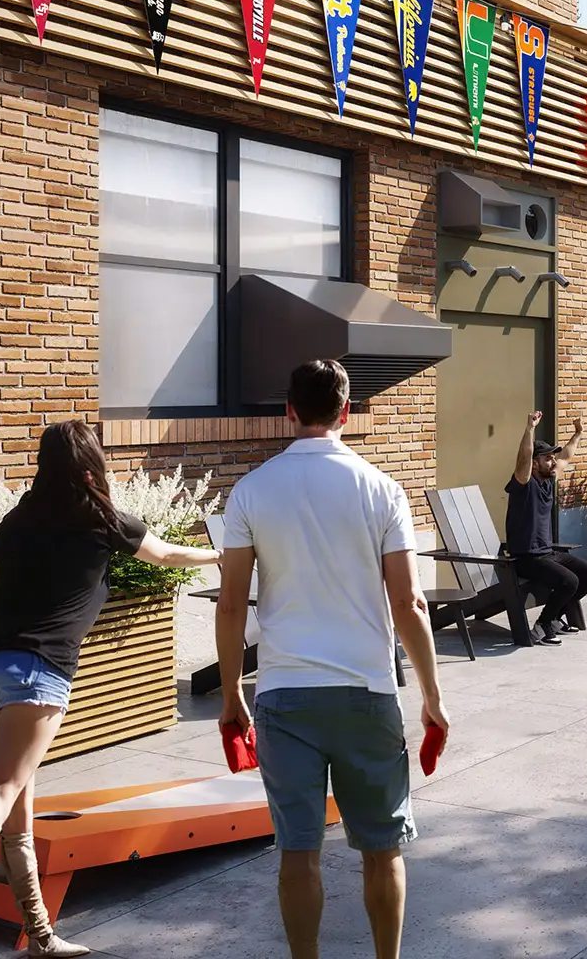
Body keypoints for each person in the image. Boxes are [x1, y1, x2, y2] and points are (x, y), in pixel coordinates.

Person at [0, 421, 223, 959]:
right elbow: (168, 556)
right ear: (89, 466)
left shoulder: (17, 520)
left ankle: (41, 936)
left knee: (18, 811)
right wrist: (223, 555)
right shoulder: (103, 521)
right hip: (39, 671)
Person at [215, 361, 445, 959]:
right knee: (382, 848)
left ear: (288, 411)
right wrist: (432, 699)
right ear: (346, 411)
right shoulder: (383, 489)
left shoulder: (251, 490)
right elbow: (410, 604)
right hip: (366, 691)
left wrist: (230, 692)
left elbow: (231, 603)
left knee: (298, 850)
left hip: (285, 695)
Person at [506, 410, 587, 644]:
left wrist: (578, 434)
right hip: (527, 557)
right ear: (535, 464)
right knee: (570, 581)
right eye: (547, 458)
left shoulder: (548, 480)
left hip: (547, 553)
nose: (553, 461)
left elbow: (566, 457)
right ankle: (543, 624)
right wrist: (529, 429)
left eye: (552, 457)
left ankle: (554, 618)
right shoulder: (523, 484)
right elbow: (523, 458)